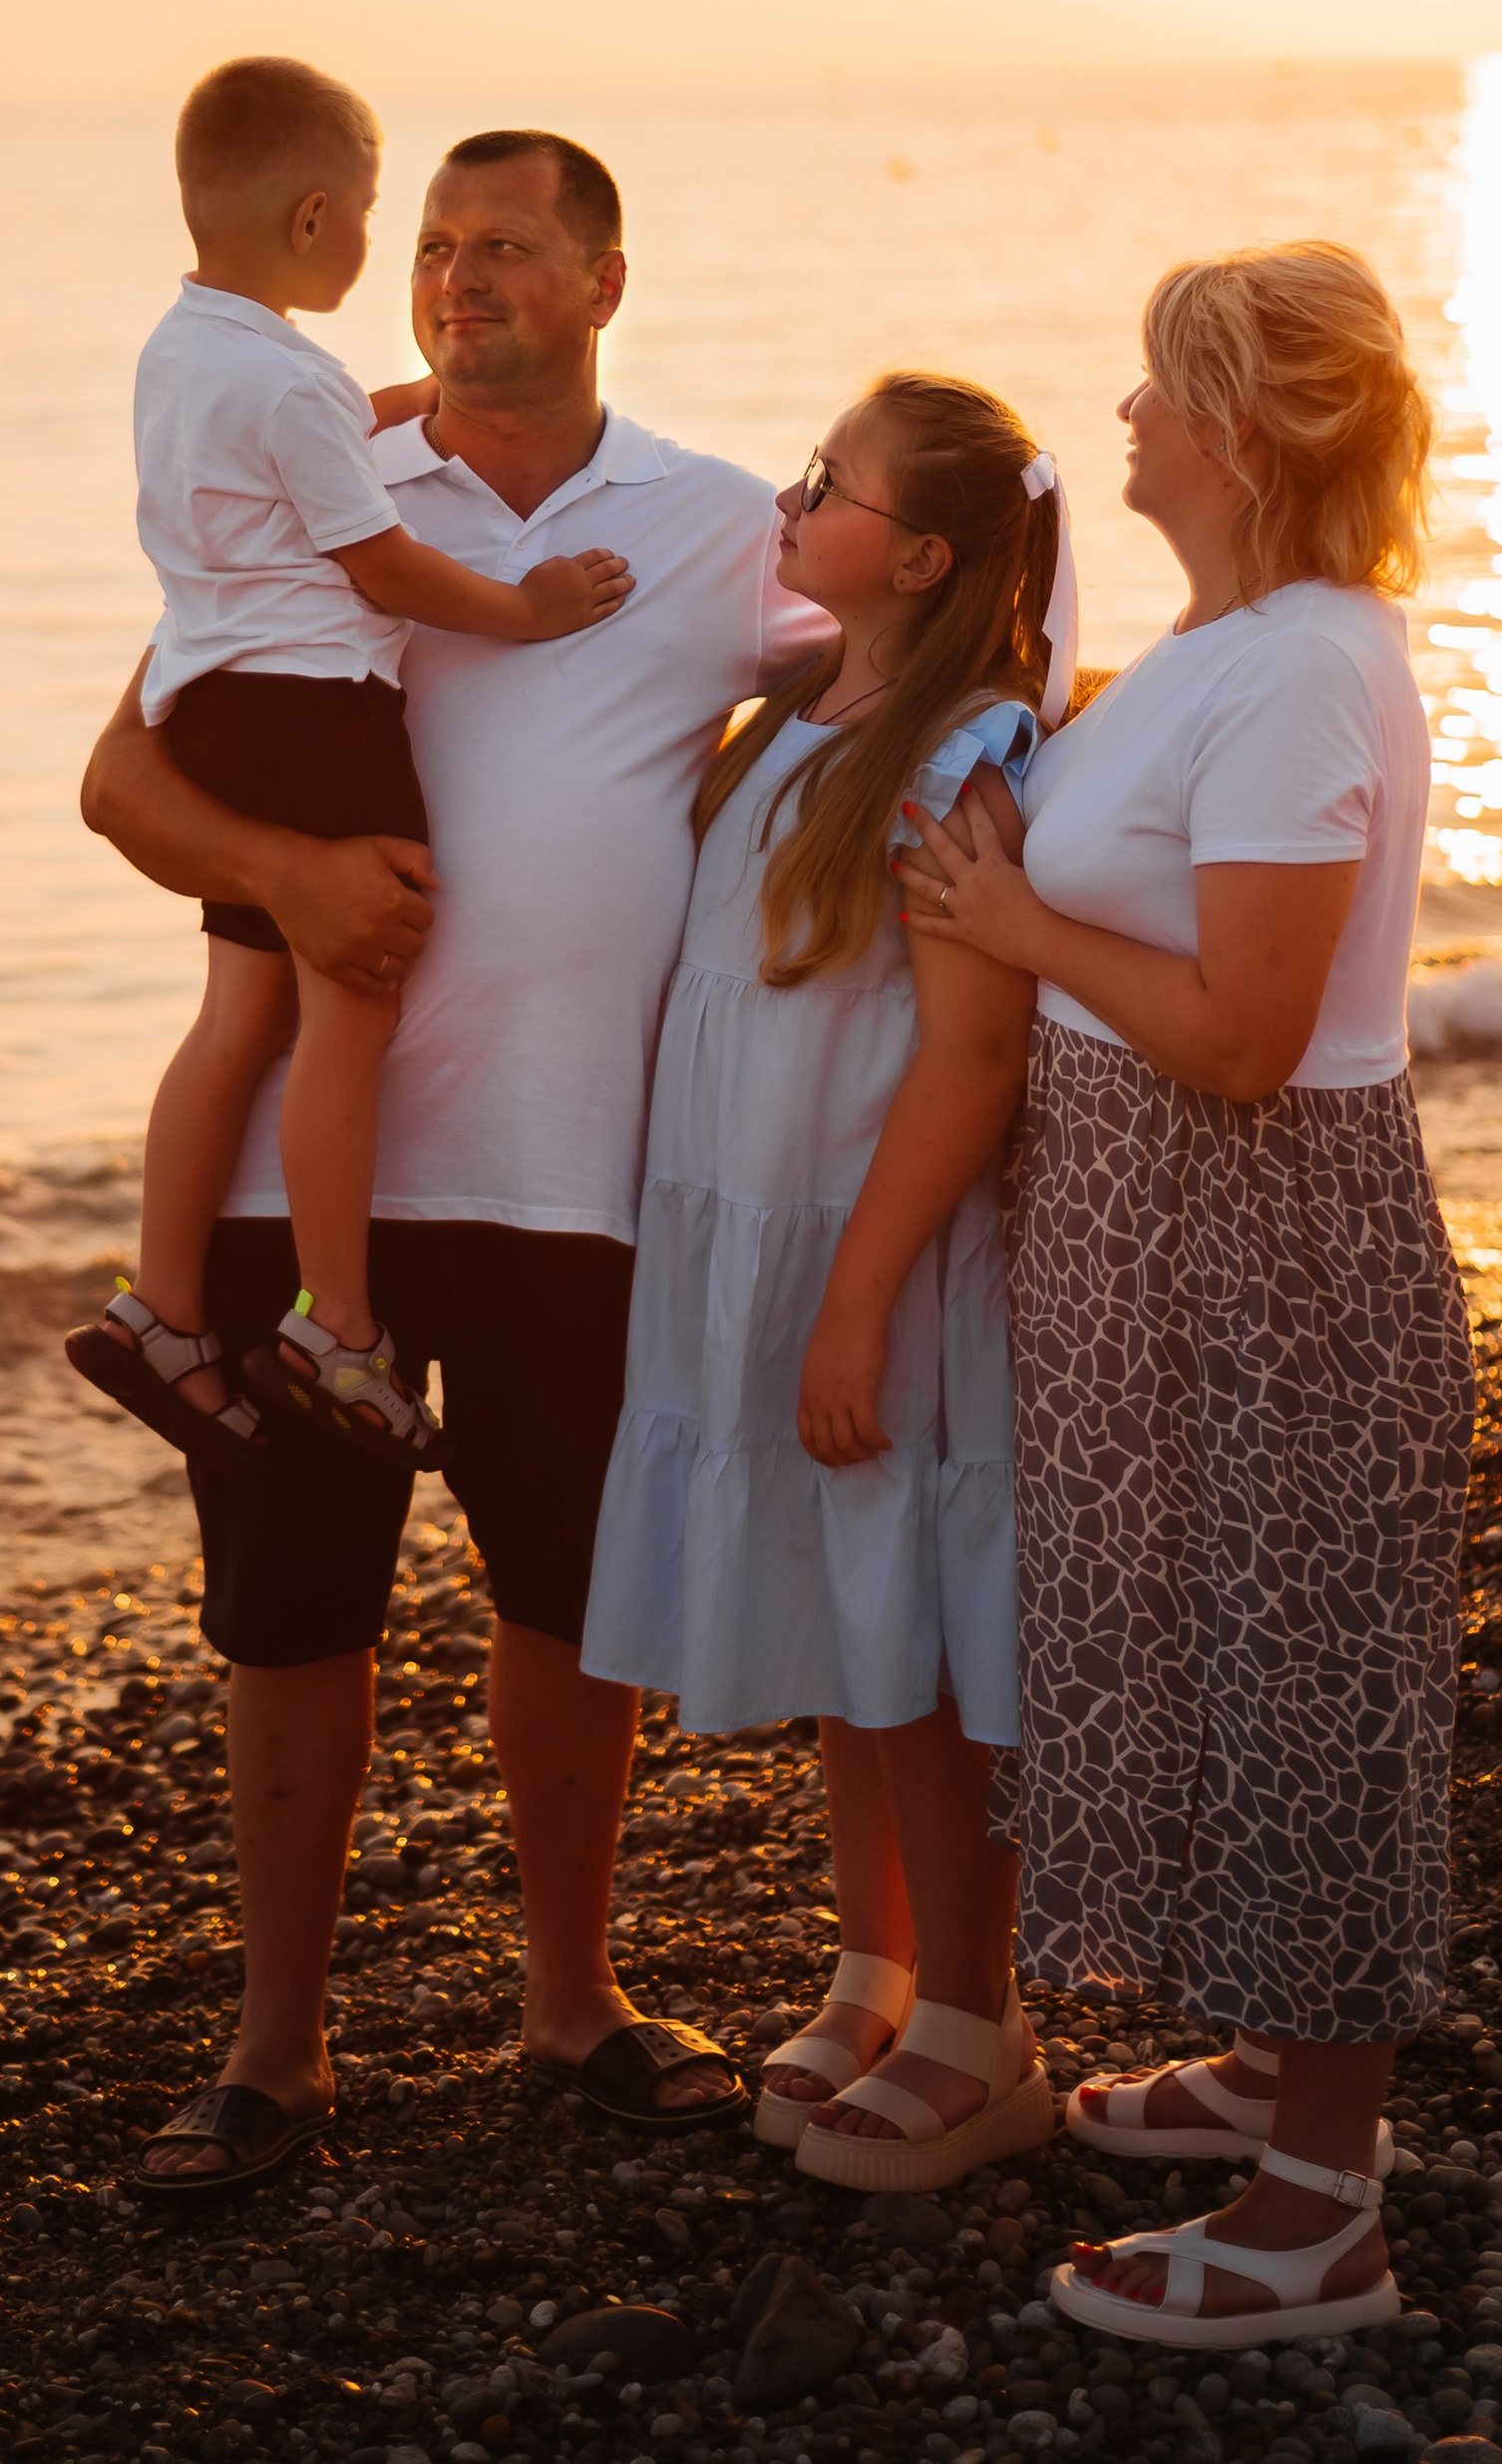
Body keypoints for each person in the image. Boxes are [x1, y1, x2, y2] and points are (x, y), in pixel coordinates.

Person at [78, 128, 835, 2190]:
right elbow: (118, 780)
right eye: (431, 245)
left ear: (604, 276)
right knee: (290, 1607)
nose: (457, 275)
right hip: (289, 1195)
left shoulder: (700, 521)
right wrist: (290, 880)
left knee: (561, 1597)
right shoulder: (321, 484)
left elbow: (894, 653)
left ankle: (568, 2001)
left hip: (566, 1171)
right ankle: (272, 2053)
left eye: (505, 246)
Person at [901, 240, 1469, 2354]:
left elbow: (1242, 1034)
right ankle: (1276, 2063)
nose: (1119, 419)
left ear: (1237, 433)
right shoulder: (1226, 643)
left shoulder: (1310, 662)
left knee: (1309, 1683)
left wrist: (1006, 920)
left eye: (1155, 389)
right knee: (1232, 1650)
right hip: (1165, 1234)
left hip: (1268, 1234)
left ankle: (1320, 2209)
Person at [581, 373, 1079, 2197]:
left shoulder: (966, 751)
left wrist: (859, 1297)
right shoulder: (801, 707)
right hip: (755, 1220)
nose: (789, 499)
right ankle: (873, 1964)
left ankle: (980, 2018)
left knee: (914, 1637)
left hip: (875, 1235)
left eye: (830, 483)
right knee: (846, 1625)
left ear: (923, 551)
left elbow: (966, 1057)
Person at [66, 58, 631, 1479]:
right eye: (394, 222)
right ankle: (339, 1323)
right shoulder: (299, 382)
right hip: (323, 717)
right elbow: (379, 559)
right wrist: (529, 605)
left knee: (235, 1015)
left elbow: (287, 451)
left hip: (214, 698)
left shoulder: (185, 352)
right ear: (319, 217)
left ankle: (165, 1307)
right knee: (347, 1022)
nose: (402, 254)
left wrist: (375, 401)